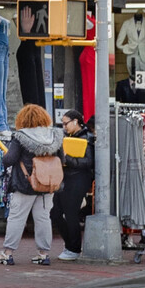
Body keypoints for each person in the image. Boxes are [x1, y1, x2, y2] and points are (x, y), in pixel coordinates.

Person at [0, 103, 65, 267]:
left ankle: (8, 253)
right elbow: (62, 160)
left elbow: (9, 160)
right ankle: (43, 254)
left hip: (25, 183)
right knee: (43, 218)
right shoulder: (55, 135)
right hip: (48, 185)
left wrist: (5, 153)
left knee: (17, 218)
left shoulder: (20, 136)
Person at [55, 109, 94, 262]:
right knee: (55, 212)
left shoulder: (87, 138)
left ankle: (74, 248)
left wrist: (68, 160)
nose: (64, 126)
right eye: (62, 124)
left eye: (66, 123)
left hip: (78, 179)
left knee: (70, 213)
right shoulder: (65, 136)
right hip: (65, 178)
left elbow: (89, 162)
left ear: (76, 121)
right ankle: (70, 244)